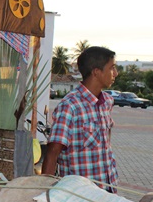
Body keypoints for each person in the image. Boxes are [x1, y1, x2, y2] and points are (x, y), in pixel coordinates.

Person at [42, 46, 119, 192]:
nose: (116, 73)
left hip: (108, 189)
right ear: (96, 71)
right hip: (79, 194)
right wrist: (45, 191)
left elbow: (105, 142)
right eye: (112, 68)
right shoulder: (70, 106)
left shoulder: (107, 102)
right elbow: (52, 153)